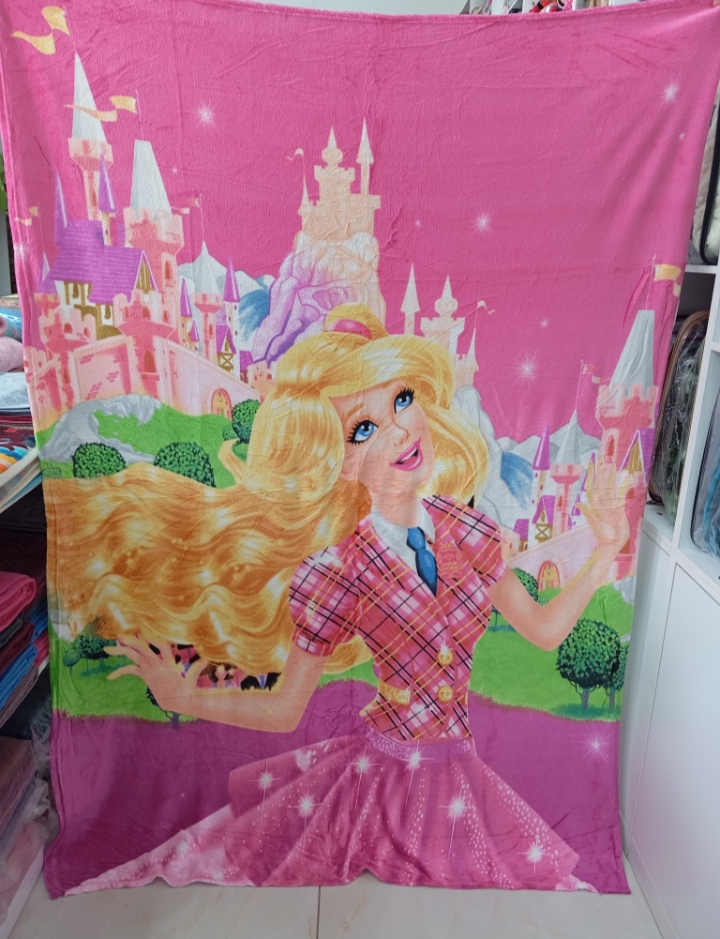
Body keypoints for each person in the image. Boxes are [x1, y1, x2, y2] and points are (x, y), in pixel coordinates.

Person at [49, 304, 628, 892]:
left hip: (460, 773)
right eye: (363, 428)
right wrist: (182, 694)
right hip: (389, 776)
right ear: (340, 461)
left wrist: (606, 549)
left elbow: (543, 630)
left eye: (402, 399)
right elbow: (284, 709)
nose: (400, 430)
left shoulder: (468, 531)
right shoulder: (339, 570)